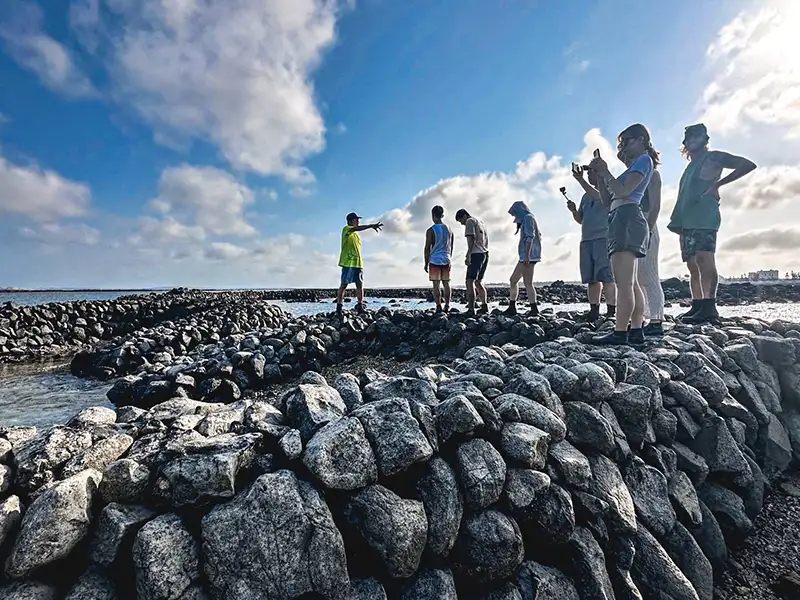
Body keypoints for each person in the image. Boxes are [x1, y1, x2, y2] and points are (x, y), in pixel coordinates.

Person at [668, 123, 757, 324]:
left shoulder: (713, 156)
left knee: (704, 259)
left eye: (696, 137)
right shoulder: (690, 165)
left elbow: (747, 164)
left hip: (704, 216)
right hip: (686, 219)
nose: (692, 140)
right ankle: (697, 304)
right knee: (691, 263)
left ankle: (709, 307)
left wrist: (717, 185)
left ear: (705, 139)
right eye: (688, 138)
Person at [589, 123, 658, 345]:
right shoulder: (638, 164)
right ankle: (635, 329)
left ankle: (620, 332)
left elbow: (623, 191)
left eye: (626, 141)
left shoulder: (643, 161)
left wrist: (606, 171)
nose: (623, 147)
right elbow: (607, 199)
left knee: (624, 283)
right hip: (623, 217)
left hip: (626, 218)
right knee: (631, 282)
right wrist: (600, 176)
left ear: (640, 139)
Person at [617, 149, 665, 336]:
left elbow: (655, 206)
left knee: (649, 273)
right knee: (636, 276)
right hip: (632, 223)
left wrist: (649, 229)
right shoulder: (632, 175)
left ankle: (657, 319)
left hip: (645, 223)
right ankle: (642, 318)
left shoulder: (652, 174)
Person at [567, 167, 617, 321]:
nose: (588, 175)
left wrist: (580, 180)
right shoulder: (585, 197)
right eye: (587, 173)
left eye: (591, 172)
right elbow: (581, 219)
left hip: (604, 238)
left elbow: (601, 199)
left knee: (607, 277)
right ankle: (594, 310)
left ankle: (611, 311)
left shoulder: (609, 192)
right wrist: (574, 211)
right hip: (586, 240)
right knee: (591, 278)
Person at [336, 212, 383, 316]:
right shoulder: (346, 229)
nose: (358, 221)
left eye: (358, 219)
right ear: (350, 221)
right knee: (344, 285)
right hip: (348, 262)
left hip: (358, 263)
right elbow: (357, 228)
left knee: (360, 285)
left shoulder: (356, 235)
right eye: (355, 219)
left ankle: (360, 306)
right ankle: (339, 307)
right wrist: (371, 225)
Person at [506, 201, 541, 316]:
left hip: (528, 256)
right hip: (527, 256)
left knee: (526, 282)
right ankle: (516, 307)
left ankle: (532, 309)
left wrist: (527, 255)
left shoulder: (528, 218)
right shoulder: (529, 218)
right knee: (516, 280)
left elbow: (530, 237)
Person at [455, 208, 490, 316]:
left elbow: (471, 239)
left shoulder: (470, 221)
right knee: (478, 282)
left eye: (461, 221)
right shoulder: (481, 223)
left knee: (469, 282)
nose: (462, 224)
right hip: (485, 253)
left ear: (464, 216)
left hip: (476, 254)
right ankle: (484, 306)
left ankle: (471, 309)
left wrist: (468, 254)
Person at [424, 205, 454, 313]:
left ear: (433, 215)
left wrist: (425, 263)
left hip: (435, 259)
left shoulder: (431, 230)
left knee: (436, 284)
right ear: (442, 215)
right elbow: (451, 246)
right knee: (447, 283)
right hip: (446, 258)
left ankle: (438, 306)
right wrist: (449, 257)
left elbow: (427, 247)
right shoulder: (449, 229)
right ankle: (447, 305)